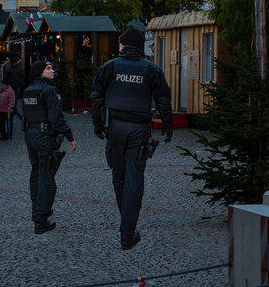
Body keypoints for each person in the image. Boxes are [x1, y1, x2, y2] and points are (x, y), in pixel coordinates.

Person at [90, 27, 172, 250]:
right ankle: (127, 233)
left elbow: (96, 97)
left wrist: (97, 123)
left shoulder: (110, 67)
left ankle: (127, 226)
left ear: (124, 45)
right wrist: (167, 124)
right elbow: (163, 99)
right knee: (134, 177)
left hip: (115, 127)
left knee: (119, 176)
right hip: (138, 128)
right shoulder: (151, 69)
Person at [21, 61, 75, 234]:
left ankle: (37, 210)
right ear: (40, 72)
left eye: (52, 68)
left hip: (31, 136)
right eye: (48, 68)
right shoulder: (49, 90)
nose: (52, 71)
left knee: (36, 173)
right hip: (45, 137)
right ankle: (41, 220)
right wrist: (69, 136)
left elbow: (24, 116)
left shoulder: (28, 91)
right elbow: (56, 117)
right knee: (47, 177)